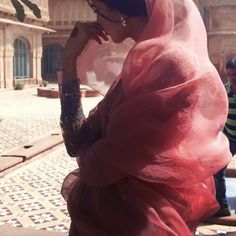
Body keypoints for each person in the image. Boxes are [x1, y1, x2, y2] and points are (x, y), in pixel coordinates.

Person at [59, 0, 232, 235]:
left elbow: (101, 165)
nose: (96, 20)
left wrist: (91, 152)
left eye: (99, 11)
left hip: (140, 220)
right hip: (112, 213)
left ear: (121, 14)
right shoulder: (144, 64)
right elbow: (76, 142)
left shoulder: (173, 66)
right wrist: (69, 60)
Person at [214, 58, 236, 217]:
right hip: (229, 137)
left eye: (235, 74)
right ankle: (222, 205)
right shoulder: (224, 90)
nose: (232, 78)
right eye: (229, 75)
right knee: (217, 170)